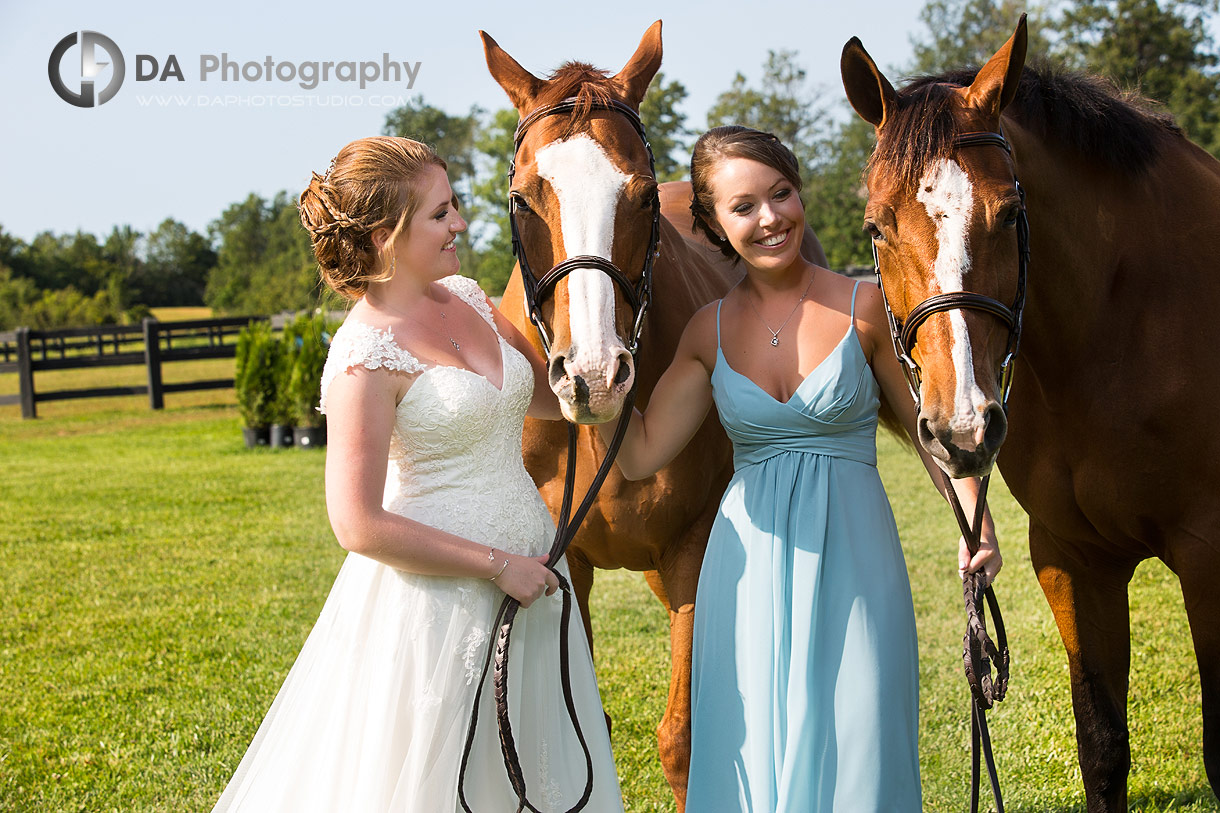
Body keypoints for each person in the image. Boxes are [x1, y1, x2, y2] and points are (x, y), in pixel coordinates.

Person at [596, 126, 1003, 811]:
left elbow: (931, 434)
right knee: (751, 748)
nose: (770, 218)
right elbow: (638, 452)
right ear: (714, 223)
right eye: (744, 205)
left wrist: (976, 520)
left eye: (781, 193)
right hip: (744, 571)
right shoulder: (708, 332)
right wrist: (598, 379)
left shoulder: (865, 307)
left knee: (861, 738)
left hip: (857, 561)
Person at [213, 136, 624, 812]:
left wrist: (603, 372)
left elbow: (551, 395)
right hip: (441, 601)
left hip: (531, 575)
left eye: (455, 204)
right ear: (384, 235)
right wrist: (496, 565)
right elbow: (357, 522)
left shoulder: (468, 295)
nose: (461, 222)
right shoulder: (363, 355)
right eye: (441, 213)